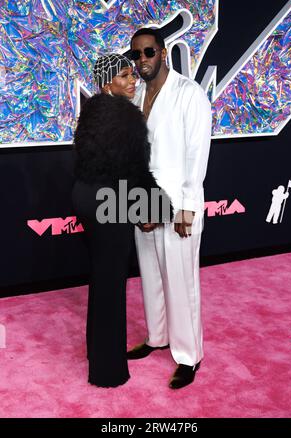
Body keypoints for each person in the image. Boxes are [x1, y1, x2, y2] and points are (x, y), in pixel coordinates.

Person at [72, 53, 172, 388]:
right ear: (107, 82)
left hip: (85, 198)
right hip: (108, 203)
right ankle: (107, 371)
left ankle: (97, 354)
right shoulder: (127, 117)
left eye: (133, 74)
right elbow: (134, 172)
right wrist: (156, 209)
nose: (133, 81)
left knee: (101, 280)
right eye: (125, 75)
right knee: (111, 284)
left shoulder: (92, 110)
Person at [127, 28, 212, 389]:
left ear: (163, 52)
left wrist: (188, 208)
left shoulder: (189, 94)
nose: (142, 60)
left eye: (148, 52)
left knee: (181, 282)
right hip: (144, 202)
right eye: (136, 56)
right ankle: (157, 336)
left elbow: (197, 156)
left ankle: (189, 355)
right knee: (151, 277)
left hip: (178, 204)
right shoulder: (137, 96)